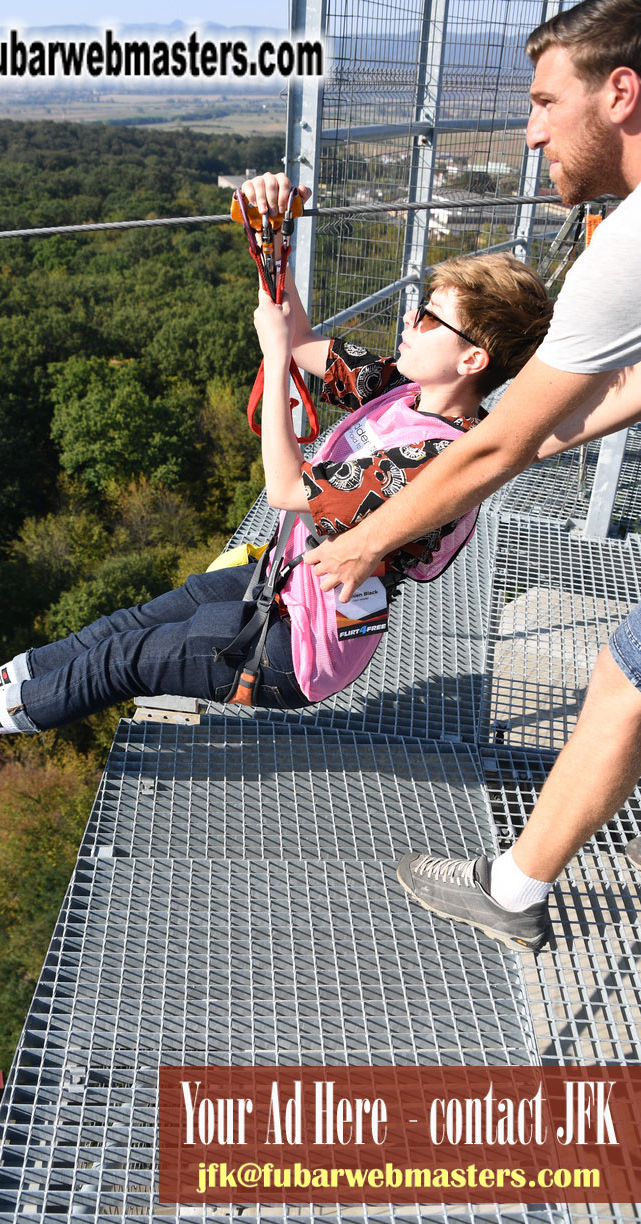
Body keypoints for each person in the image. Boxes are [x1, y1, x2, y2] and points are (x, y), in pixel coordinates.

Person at [0, 189, 551, 773]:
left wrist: (273, 364)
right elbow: (301, 337)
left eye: (430, 318)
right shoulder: (401, 388)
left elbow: (285, 486)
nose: (409, 318)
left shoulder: (432, 457)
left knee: (122, 660)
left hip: (293, 647)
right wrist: (273, 240)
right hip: (279, 584)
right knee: (116, 628)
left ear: (471, 361)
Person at [297, 0, 641, 952]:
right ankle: (517, 888)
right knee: (625, 680)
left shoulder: (629, 244)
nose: (531, 134)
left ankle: (514, 892)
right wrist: (541, 437)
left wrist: (363, 541)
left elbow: (489, 451)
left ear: (621, 93)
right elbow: (612, 393)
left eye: (543, 103)